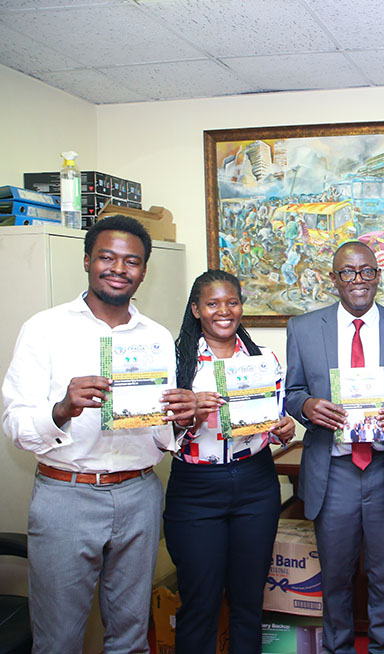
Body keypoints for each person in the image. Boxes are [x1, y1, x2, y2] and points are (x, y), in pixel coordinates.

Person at [1, 216, 197, 653]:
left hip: (139, 494)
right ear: (88, 260)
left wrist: (181, 419)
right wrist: (62, 409)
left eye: (131, 261)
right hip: (65, 496)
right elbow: (15, 422)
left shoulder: (159, 338)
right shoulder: (45, 328)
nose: (118, 268)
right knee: (58, 639)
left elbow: (160, 430)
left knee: (130, 637)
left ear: (144, 271)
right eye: (107, 257)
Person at [284, 241, 384, 654]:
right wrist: (307, 406)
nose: (358, 280)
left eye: (366, 271)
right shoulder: (303, 328)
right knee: (335, 579)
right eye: (348, 272)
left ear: (378, 276)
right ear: (334, 279)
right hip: (334, 474)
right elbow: (292, 392)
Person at [163, 270, 296, 653]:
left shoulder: (263, 360)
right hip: (195, 490)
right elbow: (154, 437)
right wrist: (189, 416)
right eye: (212, 303)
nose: (224, 311)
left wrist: (282, 428)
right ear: (196, 309)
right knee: (200, 603)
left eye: (232, 302)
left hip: (256, 483)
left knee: (249, 602)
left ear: (241, 306)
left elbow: (272, 421)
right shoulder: (176, 363)